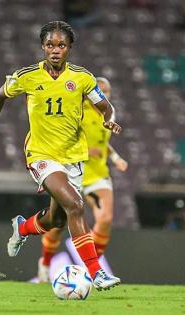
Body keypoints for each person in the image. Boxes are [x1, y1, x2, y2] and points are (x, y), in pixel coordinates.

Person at [0, 21, 121, 291]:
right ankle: (96, 272)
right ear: (43, 47)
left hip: (73, 157)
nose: (55, 50)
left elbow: (106, 106)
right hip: (41, 154)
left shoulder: (82, 78)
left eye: (61, 45)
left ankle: (23, 228)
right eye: (50, 45)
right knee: (76, 205)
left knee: (57, 220)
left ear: (69, 49)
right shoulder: (27, 76)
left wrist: (109, 119)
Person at [37, 77, 129, 283]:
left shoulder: (109, 114)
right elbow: (60, 140)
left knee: (104, 220)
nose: (103, 94)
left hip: (98, 175)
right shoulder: (77, 111)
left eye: (107, 91)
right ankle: (44, 263)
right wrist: (86, 151)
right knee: (58, 224)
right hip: (72, 174)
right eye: (99, 90)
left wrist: (115, 158)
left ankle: (92, 268)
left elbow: (103, 144)